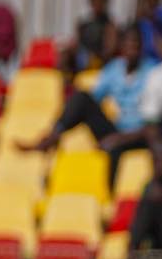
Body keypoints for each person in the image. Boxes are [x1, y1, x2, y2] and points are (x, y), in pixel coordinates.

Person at [21, 23, 154, 162]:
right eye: (128, 43)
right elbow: (94, 97)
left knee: (118, 145)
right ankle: (52, 137)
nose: (132, 48)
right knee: (82, 98)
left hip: (141, 134)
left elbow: (154, 122)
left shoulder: (152, 72)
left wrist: (119, 139)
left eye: (136, 43)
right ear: (122, 46)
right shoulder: (114, 69)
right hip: (119, 129)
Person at [68, 0, 117, 72]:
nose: (96, 2)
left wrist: (93, 57)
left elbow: (109, 52)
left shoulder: (110, 26)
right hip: (81, 61)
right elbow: (76, 45)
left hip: (100, 65)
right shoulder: (82, 24)